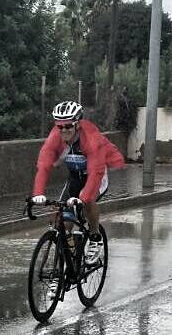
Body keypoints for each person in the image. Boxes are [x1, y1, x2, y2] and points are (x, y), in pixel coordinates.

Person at [30, 101, 126, 266]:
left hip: (95, 175)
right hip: (75, 176)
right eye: (60, 126)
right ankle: (68, 262)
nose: (64, 130)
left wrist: (84, 196)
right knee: (61, 219)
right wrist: (38, 193)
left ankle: (95, 237)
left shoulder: (91, 139)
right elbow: (44, 165)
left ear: (78, 124)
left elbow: (95, 173)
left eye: (68, 126)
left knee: (87, 201)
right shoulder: (55, 138)